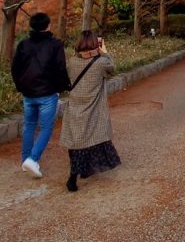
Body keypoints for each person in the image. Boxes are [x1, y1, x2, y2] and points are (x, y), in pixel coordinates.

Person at [11, 11, 71, 179]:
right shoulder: (55, 45)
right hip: (47, 92)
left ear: (32, 26)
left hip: (28, 93)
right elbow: (60, 68)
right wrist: (63, 87)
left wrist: (20, 86)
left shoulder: (23, 44)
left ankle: (25, 160)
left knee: (29, 125)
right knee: (46, 128)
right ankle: (32, 159)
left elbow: (15, 68)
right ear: (48, 25)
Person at [60, 30, 120, 193]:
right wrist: (104, 52)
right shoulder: (101, 63)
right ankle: (73, 176)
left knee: (76, 140)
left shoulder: (72, 62)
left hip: (75, 106)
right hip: (92, 106)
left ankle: (78, 172)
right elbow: (112, 68)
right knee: (88, 138)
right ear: (95, 44)